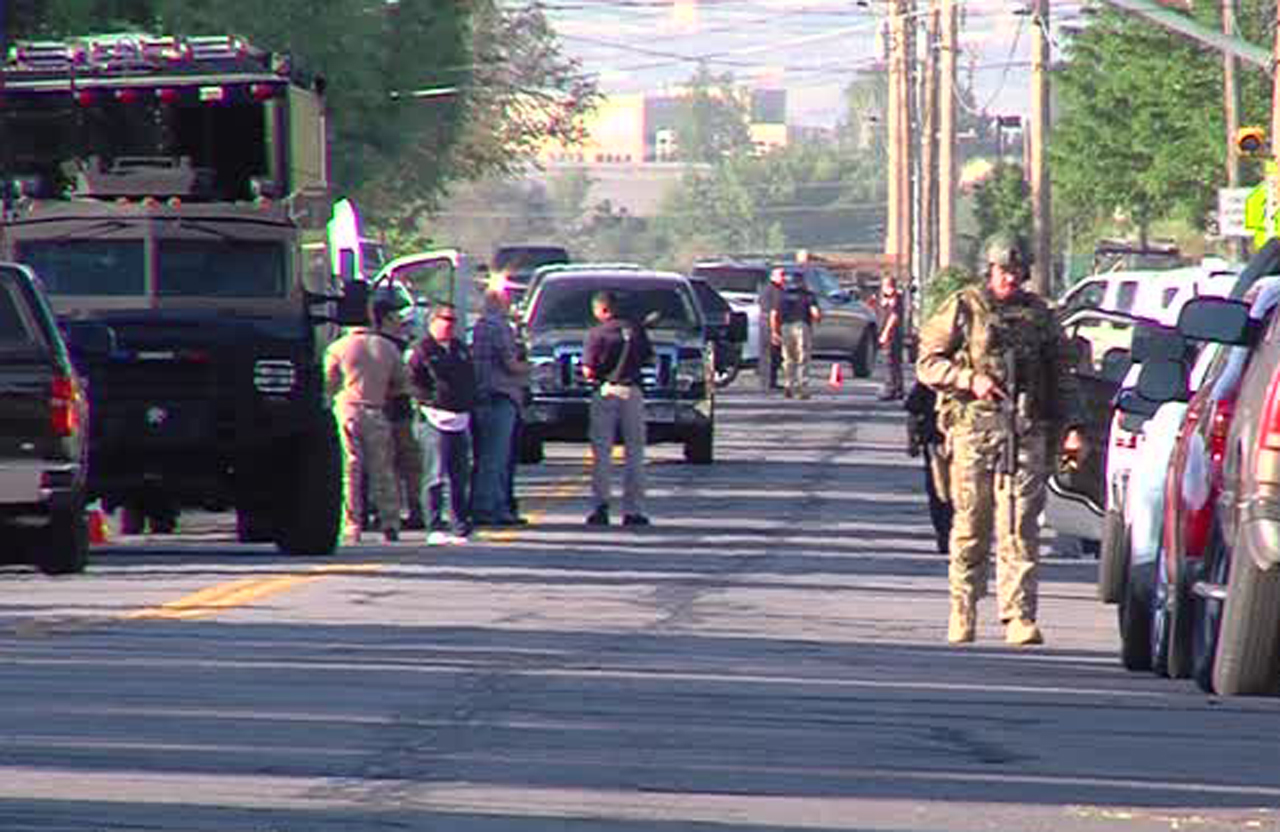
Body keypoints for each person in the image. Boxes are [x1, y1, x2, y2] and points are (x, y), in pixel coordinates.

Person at [916, 233, 1085, 646]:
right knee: (971, 525)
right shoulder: (965, 306)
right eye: (1001, 270)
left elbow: (1063, 376)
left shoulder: (1041, 317)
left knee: (1020, 527)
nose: (1009, 277)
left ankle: (1019, 617)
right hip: (974, 430)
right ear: (988, 270)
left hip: (1026, 432)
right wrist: (968, 379)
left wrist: (1074, 427)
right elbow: (927, 364)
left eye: (1015, 270)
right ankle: (963, 610)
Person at [325, 294, 408, 545]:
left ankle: (351, 524)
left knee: (349, 469)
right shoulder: (387, 347)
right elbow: (401, 383)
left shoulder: (338, 348)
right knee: (382, 469)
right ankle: (390, 521)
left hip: (347, 409)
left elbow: (328, 383)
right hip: (376, 409)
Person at [583, 290, 654, 527]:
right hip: (632, 391)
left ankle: (600, 507)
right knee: (635, 453)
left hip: (607, 390)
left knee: (602, 453)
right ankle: (633, 510)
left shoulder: (597, 333)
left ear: (602, 310)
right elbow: (648, 359)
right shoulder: (635, 330)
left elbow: (589, 370)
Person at [408, 303, 475, 544]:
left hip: (460, 417)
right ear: (432, 321)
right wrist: (430, 399)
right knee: (435, 474)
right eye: (445, 319)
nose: (450, 325)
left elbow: (469, 377)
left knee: (459, 474)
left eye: (453, 321)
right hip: (433, 418)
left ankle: (460, 524)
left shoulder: (460, 349)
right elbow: (412, 382)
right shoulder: (422, 350)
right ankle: (434, 525)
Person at [470, 288, 529, 526]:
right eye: (508, 298)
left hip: (481, 397)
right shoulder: (500, 328)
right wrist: (529, 366)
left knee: (484, 456)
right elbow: (511, 364)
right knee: (497, 458)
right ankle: (490, 508)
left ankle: (485, 504)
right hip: (501, 396)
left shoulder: (480, 327)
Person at [904, 381, 952, 554]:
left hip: (966, 442)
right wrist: (912, 441)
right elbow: (913, 411)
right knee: (939, 492)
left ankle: (955, 534)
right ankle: (944, 534)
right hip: (935, 442)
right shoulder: (933, 375)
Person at [769, 268, 821, 399]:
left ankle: (788, 384)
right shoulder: (808, 295)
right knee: (803, 358)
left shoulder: (781, 295)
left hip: (785, 327)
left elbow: (774, 315)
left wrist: (775, 332)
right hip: (801, 326)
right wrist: (817, 321)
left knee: (788, 358)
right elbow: (815, 313)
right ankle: (802, 387)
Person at [877, 273, 906, 400]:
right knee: (895, 362)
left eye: (885, 286)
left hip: (892, 335)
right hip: (891, 333)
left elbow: (894, 317)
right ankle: (899, 388)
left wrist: (885, 333)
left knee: (889, 361)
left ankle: (891, 388)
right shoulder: (886, 298)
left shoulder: (896, 298)